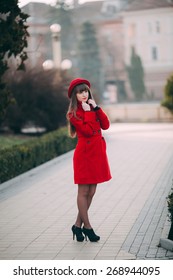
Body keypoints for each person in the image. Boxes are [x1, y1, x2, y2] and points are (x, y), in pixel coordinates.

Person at [66, 78, 112, 242]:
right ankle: (88, 227)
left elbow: (105, 125)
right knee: (83, 192)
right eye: (80, 92)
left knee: (91, 192)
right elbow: (88, 131)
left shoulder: (92, 108)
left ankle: (77, 226)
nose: (84, 94)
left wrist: (96, 108)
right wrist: (87, 112)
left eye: (85, 91)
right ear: (74, 95)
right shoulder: (73, 114)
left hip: (97, 153)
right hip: (85, 155)